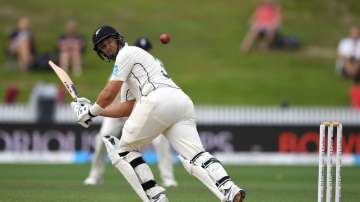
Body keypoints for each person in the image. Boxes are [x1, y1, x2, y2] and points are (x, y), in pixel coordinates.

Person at [70, 25, 245, 202]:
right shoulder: (133, 64)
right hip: (180, 102)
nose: (107, 47)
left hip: (157, 100)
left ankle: (156, 197)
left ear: (117, 39)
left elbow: (109, 93)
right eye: (103, 46)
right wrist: (95, 111)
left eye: (109, 42)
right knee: (196, 155)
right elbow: (127, 108)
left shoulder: (126, 54)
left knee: (123, 150)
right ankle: (230, 189)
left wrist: (90, 112)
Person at [83, 37, 178, 188]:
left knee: (160, 140)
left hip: (146, 109)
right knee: (103, 137)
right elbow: (112, 93)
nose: (144, 52)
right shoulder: (125, 60)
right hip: (122, 108)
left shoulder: (154, 63)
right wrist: (119, 113)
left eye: (146, 50)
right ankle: (94, 175)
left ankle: (168, 178)